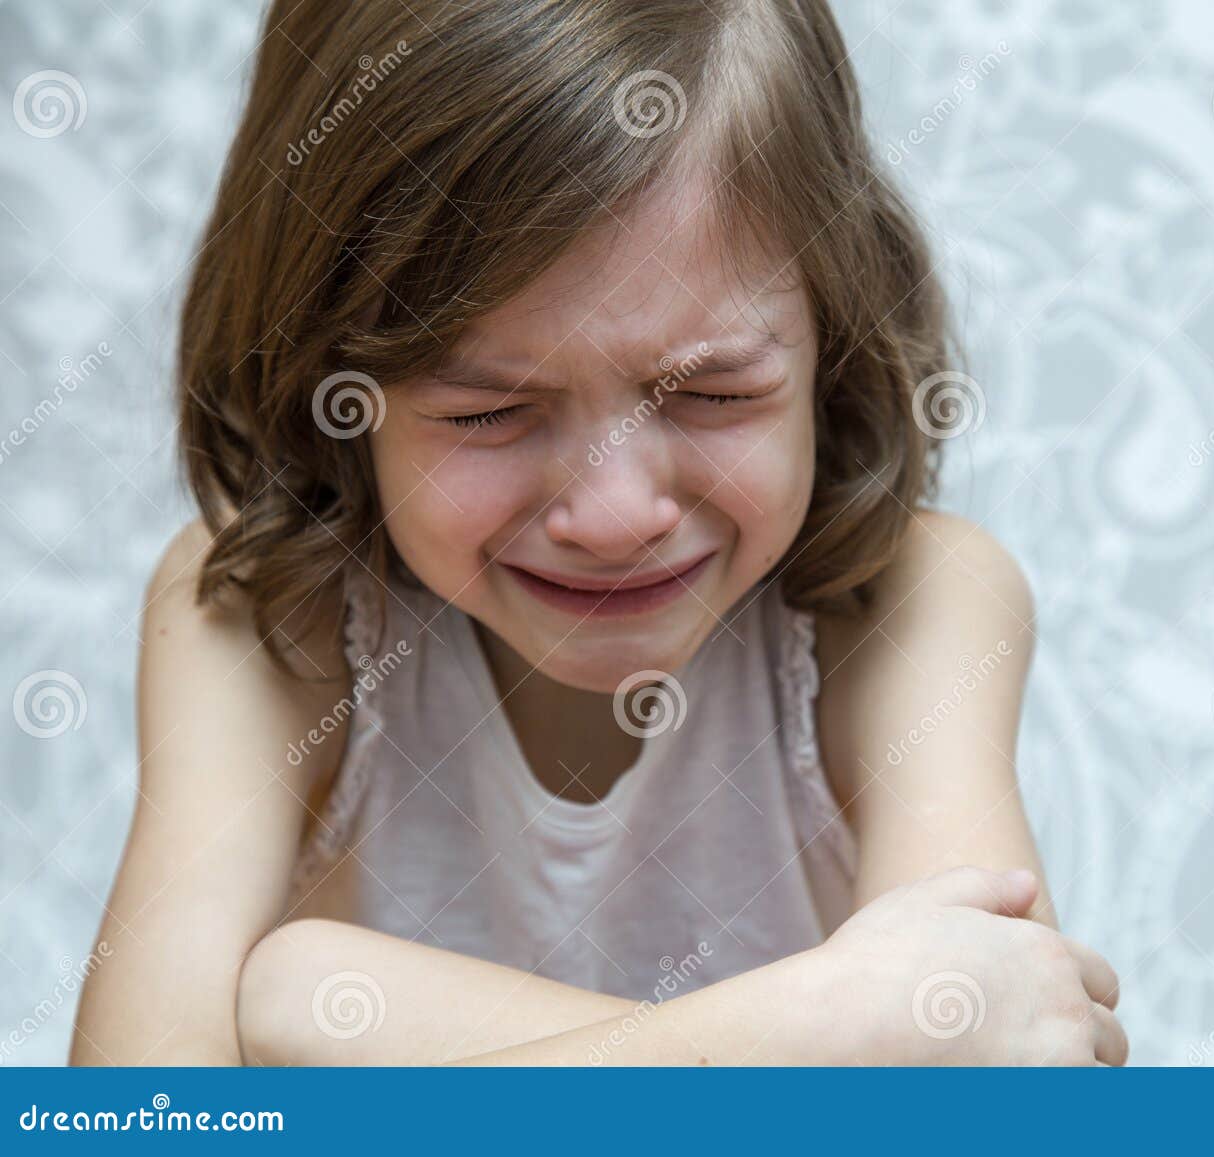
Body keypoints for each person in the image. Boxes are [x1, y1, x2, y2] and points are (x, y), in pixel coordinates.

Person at [72, 0, 1126, 1066]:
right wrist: (825, 1029)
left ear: (833, 348)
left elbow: (999, 1080)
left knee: (303, 997)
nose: (616, 516)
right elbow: (131, 1115)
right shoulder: (271, 617)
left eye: (712, 393)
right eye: (486, 413)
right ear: (327, 395)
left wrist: (320, 1019)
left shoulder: (913, 603)